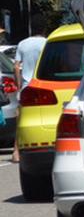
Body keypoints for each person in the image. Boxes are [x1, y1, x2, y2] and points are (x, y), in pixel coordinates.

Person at [11, 15, 50, 163]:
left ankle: (16, 151)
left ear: (31, 28)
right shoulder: (47, 43)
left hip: (27, 86)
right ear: (44, 29)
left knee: (21, 117)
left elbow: (16, 66)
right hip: (45, 85)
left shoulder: (22, 44)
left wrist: (19, 85)